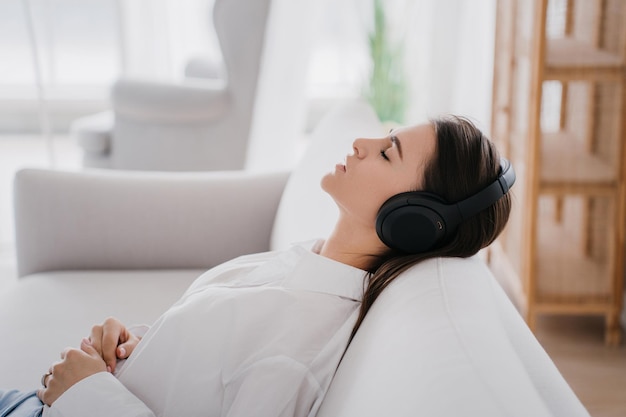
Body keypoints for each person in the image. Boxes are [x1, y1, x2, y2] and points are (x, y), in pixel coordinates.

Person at [0, 115, 512, 417]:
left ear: (415, 221)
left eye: (387, 154)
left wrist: (87, 394)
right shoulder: (310, 262)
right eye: (386, 135)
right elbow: (206, 367)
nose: (363, 143)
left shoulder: (295, 352)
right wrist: (133, 349)